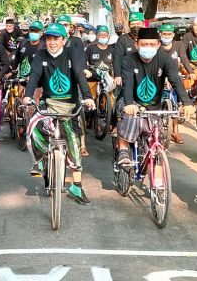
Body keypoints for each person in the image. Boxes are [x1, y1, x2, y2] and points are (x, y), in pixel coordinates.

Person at [23, 23, 95, 204]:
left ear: (64, 40)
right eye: (48, 38)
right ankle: (40, 160)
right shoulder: (40, 55)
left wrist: (87, 97)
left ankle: (77, 186)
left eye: (56, 38)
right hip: (48, 104)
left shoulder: (73, 53)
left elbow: (79, 75)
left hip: (70, 106)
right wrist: (28, 96)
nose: (52, 42)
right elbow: (34, 76)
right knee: (33, 128)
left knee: (74, 142)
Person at [115, 28, 193, 167]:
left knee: (154, 144)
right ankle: (123, 149)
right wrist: (129, 103)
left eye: (152, 44)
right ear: (137, 45)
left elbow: (175, 80)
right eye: (144, 45)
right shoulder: (128, 60)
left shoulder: (165, 59)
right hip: (129, 102)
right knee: (131, 118)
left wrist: (186, 102)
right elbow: (127, 84)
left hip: (153, 107)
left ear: (158, 45)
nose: (148, 48)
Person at [158, 23, 195, 144]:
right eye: (164, 34)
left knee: (174, 104)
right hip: (159, 76)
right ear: (160, 34)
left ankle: (175, 130)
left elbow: (184, 59)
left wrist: (190, 71)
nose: (167, 36)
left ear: (173, 35)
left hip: (174, 77)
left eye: (169, 34)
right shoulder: (157, 45)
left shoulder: (178, 45)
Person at [83, 25, 116, 153]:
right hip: (92, 77)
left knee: (110, 101)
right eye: (101, 35)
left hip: (106, 79)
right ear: (98, 36)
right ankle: (86, 118)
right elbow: (84, 61)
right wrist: (86, 70)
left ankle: (110, 121)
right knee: (89, 100)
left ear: (108, 37)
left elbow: (115, 63)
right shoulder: (91, 48)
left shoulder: (112, 50)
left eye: (105, 35)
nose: (103, 37)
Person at [113, 12, 145, 87]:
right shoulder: (123, 39)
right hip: (128, 74)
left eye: (138, 23)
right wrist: (117, 75)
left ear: (143, 24)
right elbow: (118, 57)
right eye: (133, 24)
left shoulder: (149, 37)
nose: (136, 26)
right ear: (129, 25)